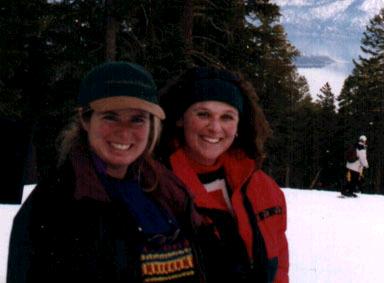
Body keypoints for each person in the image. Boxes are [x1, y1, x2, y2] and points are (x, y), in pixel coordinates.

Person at [7, 62, 206, 283]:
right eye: (110, 117)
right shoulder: (53, 205)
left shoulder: (169, 190)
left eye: (137, 119)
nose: (124, 131)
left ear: (152, 125)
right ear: (85, 119)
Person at [158, 67, 289, 283]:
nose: (215, 127)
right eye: (203, 114)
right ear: (180, 119)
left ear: (239, 126)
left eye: (227, 117)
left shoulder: (263, 188)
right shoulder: (158, 187)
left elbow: (278, 264)